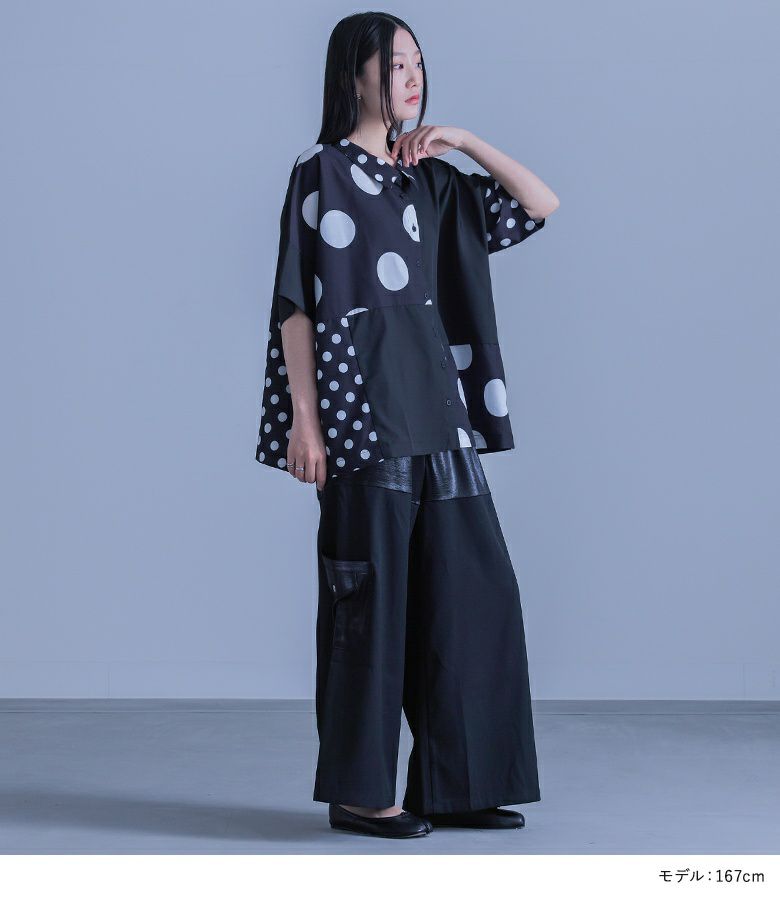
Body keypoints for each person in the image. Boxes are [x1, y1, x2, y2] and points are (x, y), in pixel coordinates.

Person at [255, 12, 559, 839]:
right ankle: (361, 793)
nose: (412, 77)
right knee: (371, 609)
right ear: (353, 75)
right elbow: (296, 304)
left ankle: (458, 787)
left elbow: (540, 204)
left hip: (441, 418)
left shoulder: (434, 182)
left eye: (418, 62)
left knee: (472, 601)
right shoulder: (320, 172)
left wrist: (463, 139)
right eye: (395, 64)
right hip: (362, 417)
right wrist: (305, 424)